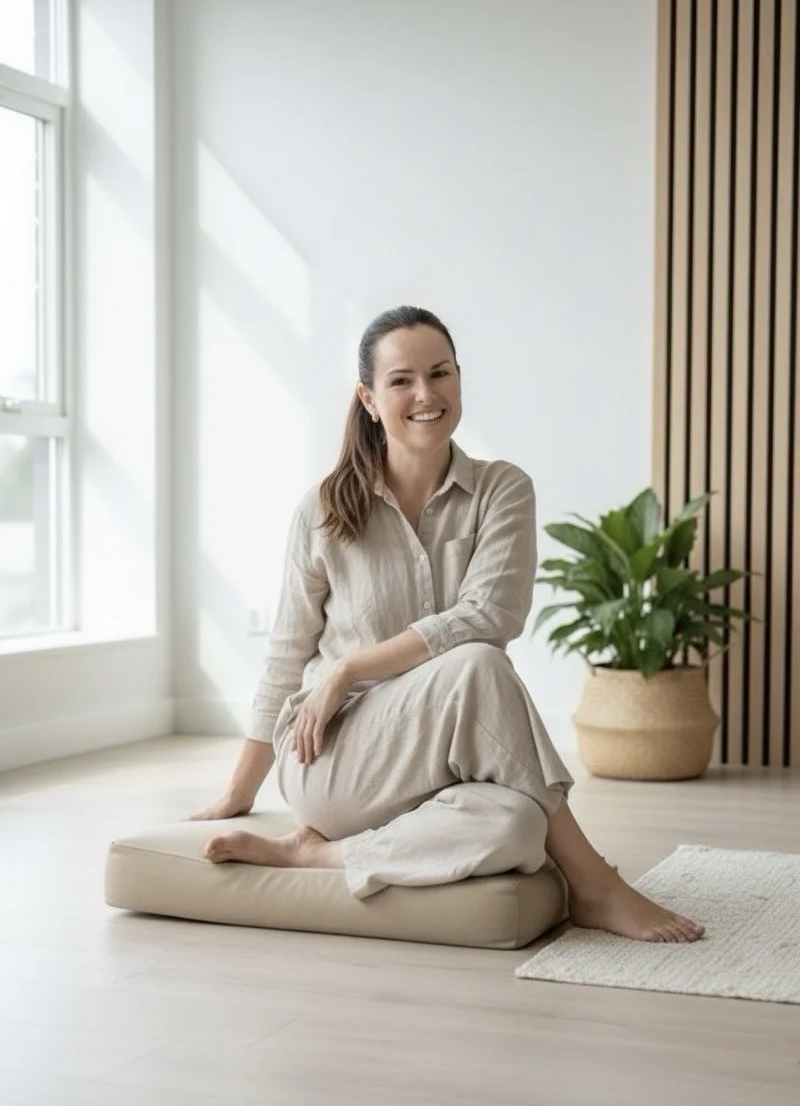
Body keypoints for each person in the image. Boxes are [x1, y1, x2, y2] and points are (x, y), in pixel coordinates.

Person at [190, 306, 704, 944]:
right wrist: (238, 793)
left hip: (440, 766)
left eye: (441, 374)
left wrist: (351, 664)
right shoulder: (324, 509)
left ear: (460, 379)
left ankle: (314, 856)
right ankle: (594, 883)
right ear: (369, 399)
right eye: (401, 380)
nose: (426, 395)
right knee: (478, 665)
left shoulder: (502, 489)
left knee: (518, 825)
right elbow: (285, 656)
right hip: (334, 757)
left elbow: (491, 614)